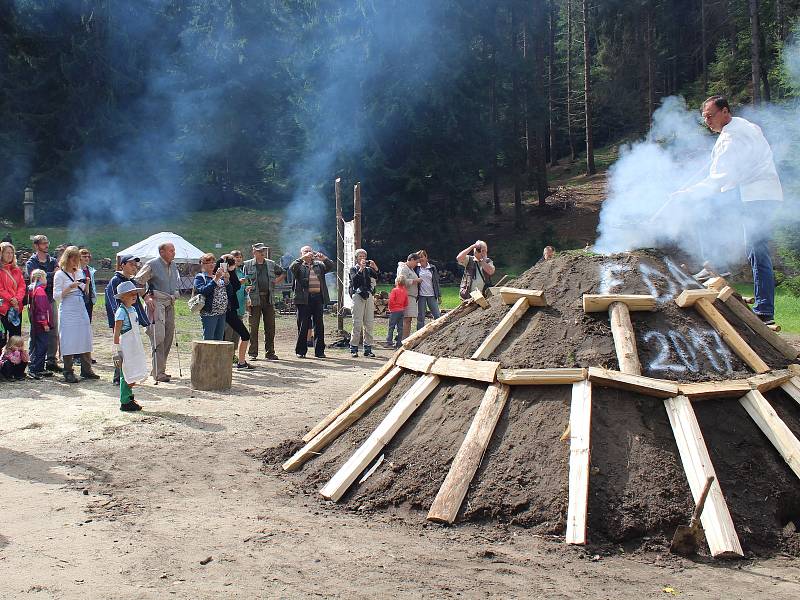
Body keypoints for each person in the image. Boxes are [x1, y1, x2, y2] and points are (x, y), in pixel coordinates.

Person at [672, 95, 783, 325]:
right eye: (705, 117)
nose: (708, 121)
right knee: (756, 249)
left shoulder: (732, 137)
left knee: (703, 206)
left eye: (710, 116)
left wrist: (688, 193)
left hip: (755, 195)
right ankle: (763, 309)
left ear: (725, 111)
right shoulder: (744, 127)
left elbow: (717, 180)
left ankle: (717, 266)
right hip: (758, 193)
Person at [135, 242, 180, 382]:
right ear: (162, 252)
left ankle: (160, 369)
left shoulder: (173, 265)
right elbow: (138, 281)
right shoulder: (152, 264)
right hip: (156, 303)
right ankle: (158, 372)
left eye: (174, 250)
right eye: (171, 250)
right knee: (158, 336)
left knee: (168, 336)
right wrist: (146, 297)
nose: (174, 253)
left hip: (169, 303)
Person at [53, 246, 99, 383]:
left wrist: (87, 284)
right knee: (68, 338)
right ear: (67, 259)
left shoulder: (80, 272)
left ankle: (86, 369)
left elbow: (84, 291)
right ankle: (68, 371)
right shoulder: (59, 275)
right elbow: (56, 296)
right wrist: (69, 287)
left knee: (85, 335)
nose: (75, 262)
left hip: (80, 306)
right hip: (67, 307)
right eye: (73, 259)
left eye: (77, 259)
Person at [106, 255, 150, 385]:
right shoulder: (115, 281)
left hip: (131, 323)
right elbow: (112, 302)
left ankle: (131, 375)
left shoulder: (131, 281)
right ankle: (118, 377)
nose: (134, 267)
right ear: (122, 265)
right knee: (121, 350)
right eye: (131, 264)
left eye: (135, 265)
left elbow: (136, 303)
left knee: (131, 350)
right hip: (122, 322)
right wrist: (119, 319)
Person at [242, 243, 285, 360]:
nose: (262, 253)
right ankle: (253, 353)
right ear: (254, 252)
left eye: (263, 251)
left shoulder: (271, 264)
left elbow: (282, 273)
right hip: (254, 300)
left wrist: (276, 281)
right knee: (253, 327)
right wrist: (246, 300)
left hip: (268, 298)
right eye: (260, 251)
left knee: (270, 327)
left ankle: (270, 352)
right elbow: (244, 282)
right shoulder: (247, 264)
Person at [25, 234, 61, 372]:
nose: (46, 245)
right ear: (36, 245)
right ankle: (34, 361)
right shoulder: (31, 262)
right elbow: (36, 278)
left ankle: (51, 360)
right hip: (36, 301)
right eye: (43, 243)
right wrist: (51, 274)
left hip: (50, 299)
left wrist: (48, 274)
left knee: (53, 330)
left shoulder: (52, 260)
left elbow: (57, 276)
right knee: (36, 331)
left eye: (47, 242)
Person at [112, 281, 149, 412]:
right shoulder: (121, 312)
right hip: (125, 345)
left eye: (135, 294)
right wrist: (116, 349)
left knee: (132, 370)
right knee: (125, 372)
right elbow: (116, 331)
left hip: (134, 345)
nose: (134, 296)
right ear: (122, 297)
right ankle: (125, 401)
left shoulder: (133, 309)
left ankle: (129, 396)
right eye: (130, 294)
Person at [290, 245, 334, 358]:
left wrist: (324, 258)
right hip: (303, 299)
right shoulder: (299, 265)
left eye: (310, 251)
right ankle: (301, 351)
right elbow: (291, 267)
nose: (309, 253)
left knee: (319, 325)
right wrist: (303, 259)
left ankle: (319, 351)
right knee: (303, 325)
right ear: (301, 254)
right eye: (306, 251)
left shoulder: (319, 265)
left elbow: (330, 266)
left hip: (318, 298)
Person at [217, 254, 255, 369]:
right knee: (221, 337)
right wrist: (224, 274)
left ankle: (241, 362)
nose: (234, 265)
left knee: (243, 335)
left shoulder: (234, 273)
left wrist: (230, 277)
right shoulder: (218, 273)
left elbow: (236, 287)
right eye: (232, 263)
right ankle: (221, 362)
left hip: (232, 309)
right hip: (221, 310)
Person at [348, 249, 379, 358]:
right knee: (357, 323)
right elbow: (354, 281)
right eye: (360, 256)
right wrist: (360, 269)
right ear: (356, 258)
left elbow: (376, 277)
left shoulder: (368, 270)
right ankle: (354, 348)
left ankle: (368, 348)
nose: (362, 258)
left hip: (368, 296)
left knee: (369, 323)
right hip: (357, 296)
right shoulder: (353, 269)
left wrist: (375, 268)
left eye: (364, 256)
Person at [194, 253, 229, 341]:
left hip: (222, 313)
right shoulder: (200, 277)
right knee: (209, 340)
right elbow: (203, 291)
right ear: (202, 264)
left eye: (213, 262)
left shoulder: (218, 276)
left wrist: (227, 280)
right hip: (209, 313)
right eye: (208, 262)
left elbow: (230, 292)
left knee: (219, 340)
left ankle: (217, 355)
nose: (212, 264)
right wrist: (215, 279)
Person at [27, 269, 54, 379]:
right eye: (44, 277)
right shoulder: (40, 291)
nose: (46, 280)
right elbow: (41, 309)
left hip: (35, 323)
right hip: (41, 324)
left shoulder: (32, 290)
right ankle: (35, 368)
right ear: (39, 278)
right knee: (41, 346)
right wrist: (44, 323)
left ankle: (38, 367)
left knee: (36, 344)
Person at [0, 242, 26, 353]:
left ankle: (13, 364)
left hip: (16, 308)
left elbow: (22, 286)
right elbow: (0, 289)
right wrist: (11, 299)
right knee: (1, 338)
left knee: (15, 338)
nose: (10, 255)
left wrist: (17, 299)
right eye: (7, 253)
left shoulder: (17, 270)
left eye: (11, 253)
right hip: (3, 309)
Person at [223, 250, 248, 351]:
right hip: (230, 308)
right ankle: (226, 356)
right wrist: (239, 283)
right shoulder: (227, 272)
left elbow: (244, 289)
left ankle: (233, 356)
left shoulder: (242, 272)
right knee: (228, 334)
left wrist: (247, 296)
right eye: (235, 257)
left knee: (236, 335)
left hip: (240, 307)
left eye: (240, 257)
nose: (238, 259)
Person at [396, 253, 421, 340]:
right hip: (406, 296)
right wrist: (415, 281)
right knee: (406, 319)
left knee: (408, 319)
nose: (416, 265)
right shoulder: (404, 268)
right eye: (416, 262)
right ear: (411, 260)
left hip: (411, 296)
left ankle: (405, 338)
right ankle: (403, 339)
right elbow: (401, 282)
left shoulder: (411, 269)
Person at [415, 250, 441, 331]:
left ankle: (438, 332)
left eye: (422, 256)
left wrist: (439, 295)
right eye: (419, 257)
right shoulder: (416, 267)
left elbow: (436, 282)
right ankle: (419, 334)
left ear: (426, 257)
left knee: (437, 315)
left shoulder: (432, 268)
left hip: (432, 295)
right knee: (421, 316)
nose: (420, 259)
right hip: (421, 296)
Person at [386, 277, 408, 348]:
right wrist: (403, 307)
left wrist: (390, 308)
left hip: (394, 311)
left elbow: (391, 300)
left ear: (397, 282)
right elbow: (406, 302)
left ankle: (389, 341)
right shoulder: (404, 291)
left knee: (391, 326)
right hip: (401, 310)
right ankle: (399, 342)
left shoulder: (394, 290)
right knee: (400, 327)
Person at [79, 248, 97, 321]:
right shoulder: (76, 270)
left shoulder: (91, 270)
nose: (87, 258)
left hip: (89, 298)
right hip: (80, 298)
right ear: (79, 258)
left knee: (88, 320)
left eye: (88, 256)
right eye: (84, 256)